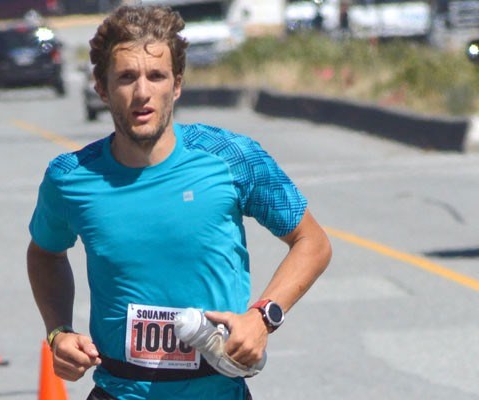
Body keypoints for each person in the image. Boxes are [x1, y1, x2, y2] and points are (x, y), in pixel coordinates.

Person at [27, 5, 332, 400]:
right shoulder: (70, 177)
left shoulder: (232, 158)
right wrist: (58, 333)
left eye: (156, 76)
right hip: (119, 391)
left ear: (177, 85)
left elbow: (313, 242)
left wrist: (263, 318)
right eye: (126, 78)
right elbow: (45, 254)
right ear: (101, 88)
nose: (142, 92)